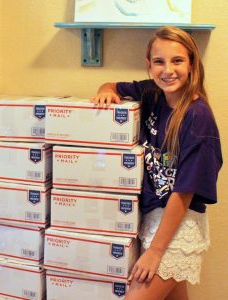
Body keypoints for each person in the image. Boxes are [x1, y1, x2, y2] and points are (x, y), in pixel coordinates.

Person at [93, 26, 222, 300]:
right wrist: (105, 90)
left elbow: (184, 192)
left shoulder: (197, 117)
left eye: (177, 61)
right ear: (149, 65)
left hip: (177, 225)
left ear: (191, 63)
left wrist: (155, 252)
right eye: (159, 61)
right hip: (152, 219)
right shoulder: (153, 94)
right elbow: (113, 86)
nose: (168, 70)